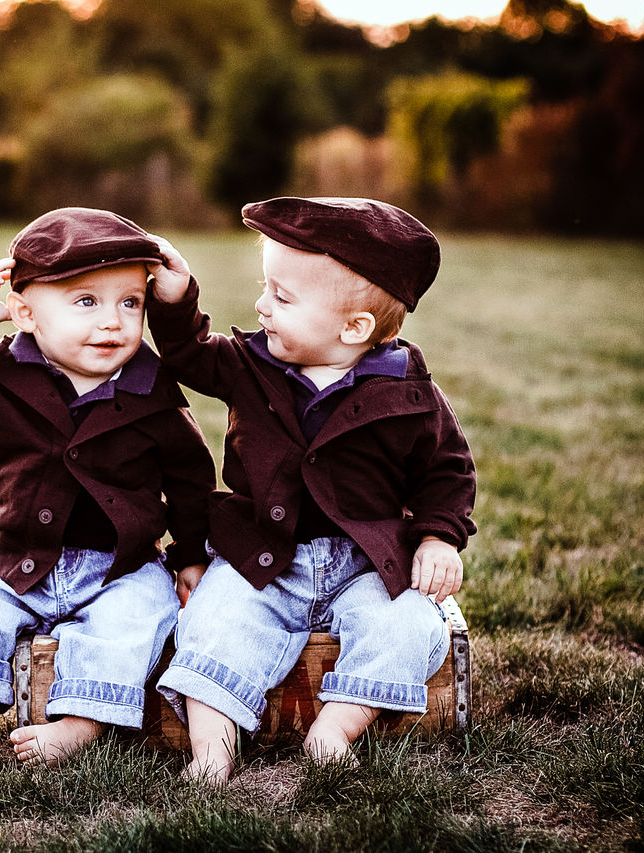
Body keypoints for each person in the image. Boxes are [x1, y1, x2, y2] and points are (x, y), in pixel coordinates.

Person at [145, 196, 477, 782]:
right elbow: (189, 356)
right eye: (264, 286)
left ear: (355, 327)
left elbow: (447, 472)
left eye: (282, 296)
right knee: (216, 620)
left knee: (411, 625)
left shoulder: (408, 394)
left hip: (368, 563)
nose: (260, 305)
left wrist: (437, 538)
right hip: (263, 555)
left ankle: (339, 724)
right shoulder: (250, 365)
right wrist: (176, 302)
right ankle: (212, 748)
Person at [0, 207, 215, 779]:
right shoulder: (0, 374)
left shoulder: (154, 394)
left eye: (131, 303)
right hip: (17, 561)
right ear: (24, 312)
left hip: (121, 568)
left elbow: (193, 482)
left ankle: (81, 724)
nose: (114, 322)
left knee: (135, 619)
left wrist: (192, 554)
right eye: (86, 302)